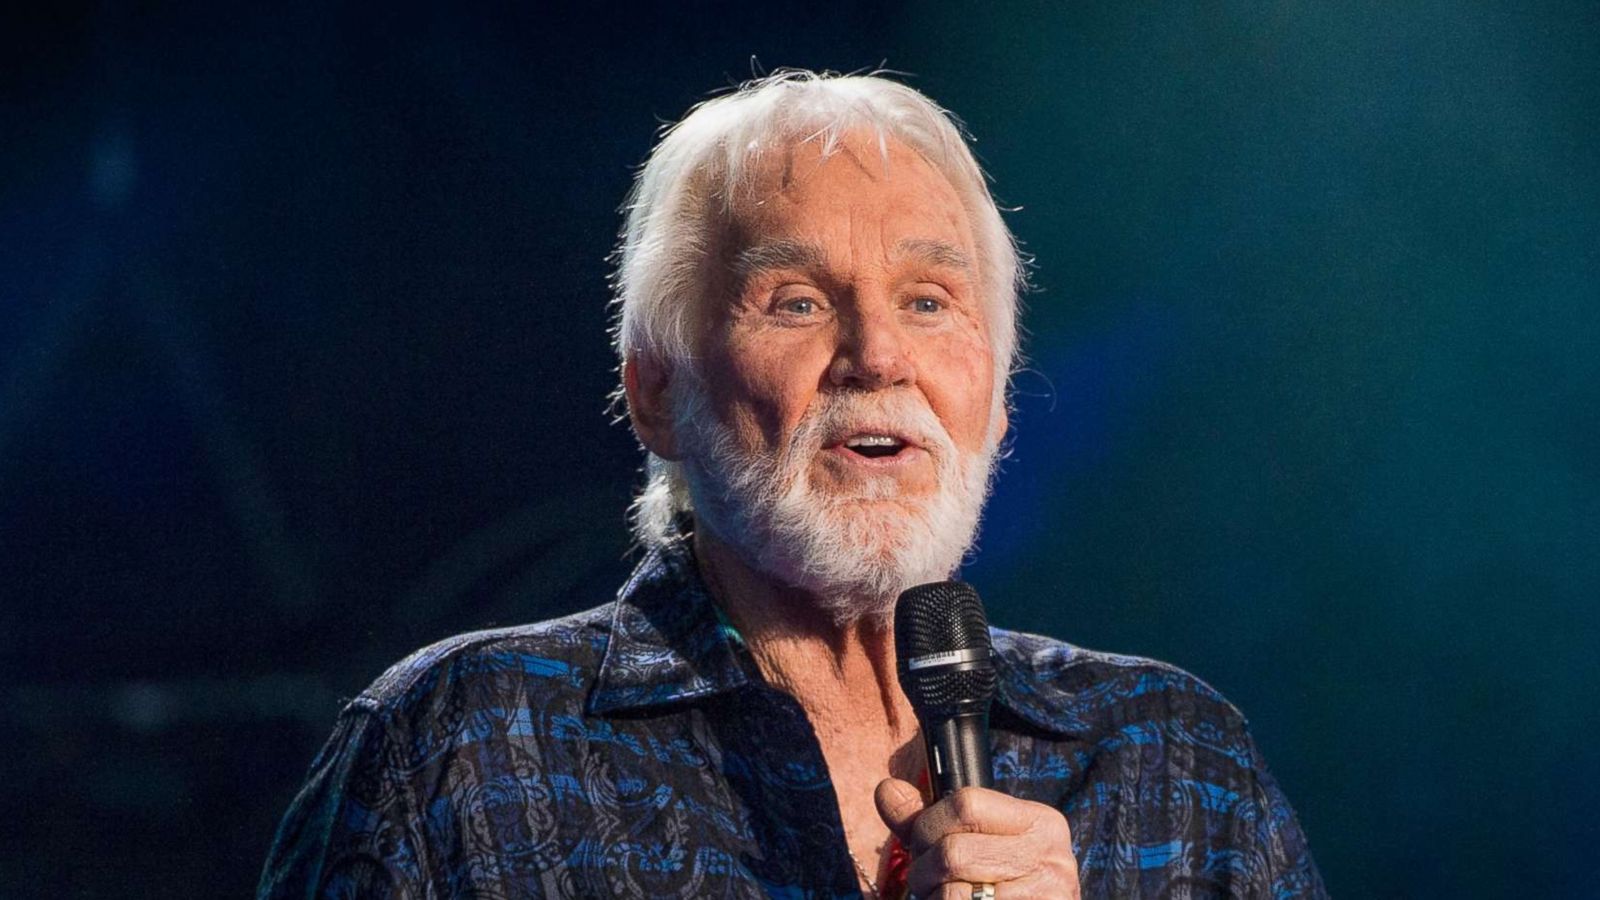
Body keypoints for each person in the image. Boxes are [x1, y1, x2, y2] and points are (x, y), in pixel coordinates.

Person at [259, 70, 1325, 899]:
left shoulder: (1173, 760)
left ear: (996, 397)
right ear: (654, 394)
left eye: (928, 302)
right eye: (795, 301)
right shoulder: (456, 751)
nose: (876, 356)